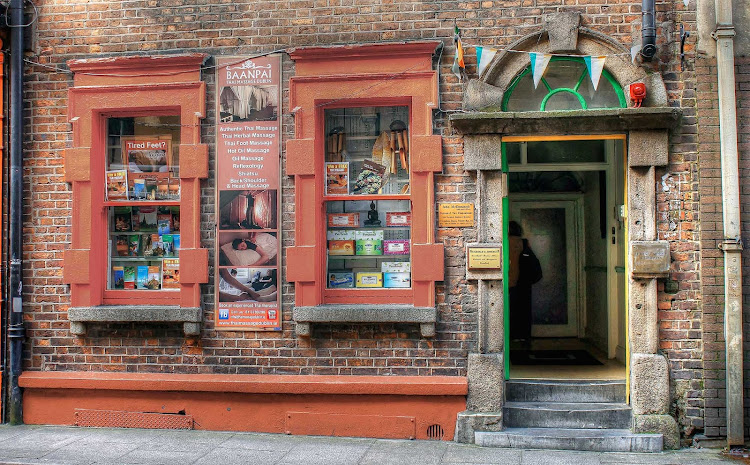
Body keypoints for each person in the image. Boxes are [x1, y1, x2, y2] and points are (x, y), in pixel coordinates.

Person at [508, 221, 532, 345]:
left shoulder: (504, 242)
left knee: (510, 310)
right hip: (523, 282)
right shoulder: (523, 243)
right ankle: (523, 335)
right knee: (523, 310)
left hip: (509, 281)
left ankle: (510, 335)